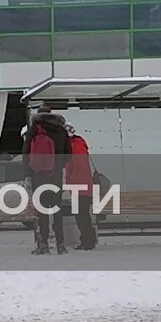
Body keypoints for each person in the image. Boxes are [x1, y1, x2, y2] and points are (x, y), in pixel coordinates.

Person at [23, 105, 70, 255]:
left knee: (42, 211)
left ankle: (43, 243)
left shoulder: (34, 130)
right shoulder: (61, 130)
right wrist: (58, 165)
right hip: (55, 176)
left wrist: (28, 172)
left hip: (39, 176)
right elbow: (69, 153)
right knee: (57, 210)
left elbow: (26, 153)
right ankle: (60, 244)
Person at [64, 124, 97, 251]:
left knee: (81, 215)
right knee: (83, 215)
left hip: (80, 186)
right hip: (82, 186)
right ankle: (88, 240)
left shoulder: (75, 146)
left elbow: (78, 167)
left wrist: (71, 181)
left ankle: (88, 241)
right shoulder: (78, 145)